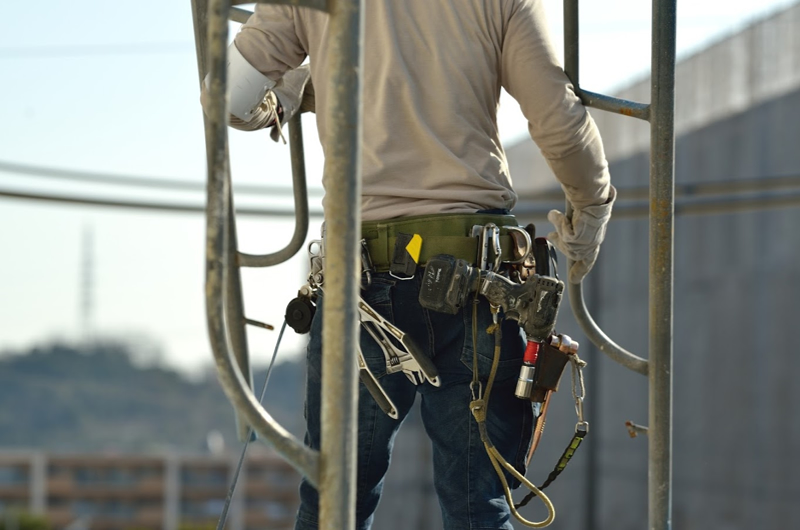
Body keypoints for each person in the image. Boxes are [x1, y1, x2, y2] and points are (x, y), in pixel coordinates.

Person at [202, 1, 615, 528]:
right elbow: (558, 119)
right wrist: (591, 212)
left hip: (361, 286)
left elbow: (230, 99)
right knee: (479, 506)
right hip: (479, 279)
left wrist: (301, 89)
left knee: (334, 503)